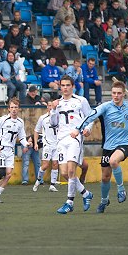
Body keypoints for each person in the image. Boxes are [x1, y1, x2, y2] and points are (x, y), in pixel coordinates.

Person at [73, 81, 128, 213]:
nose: (116, 96)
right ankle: (104, 200)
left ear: (124, 94)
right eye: (114, 93)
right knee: (105, 177)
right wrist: (78, 129)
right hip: (108, 146)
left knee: (114, 161)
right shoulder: (105, 107)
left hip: (124, 144)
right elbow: (91, 116)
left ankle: (121, 190)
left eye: (119, 93)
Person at [46, 76, 95, 214]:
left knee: (72, 171)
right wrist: (53, 109)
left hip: (75, 138)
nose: (65, 88)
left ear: (73, 86)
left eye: (68, 85)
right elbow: (53, 123)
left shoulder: (81, 100)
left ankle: (69, 203)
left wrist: (87, 129)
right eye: (63, 85)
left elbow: (90, 117)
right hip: (61, 140)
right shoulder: (58, 103)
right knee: (64, 173)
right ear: (60, 87)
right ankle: (86, 194)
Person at [31, 104, 60, 192]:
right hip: (47, 144)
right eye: (49, 105)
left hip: (57, 144)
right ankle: (38, 180)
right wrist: (35, 143)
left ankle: (52, 185)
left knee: (55, 164)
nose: (51, 107)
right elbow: (36, 130)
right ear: (47, 107)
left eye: (52, 106)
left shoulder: (59, 117)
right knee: (45, 165)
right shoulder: (43, 118)